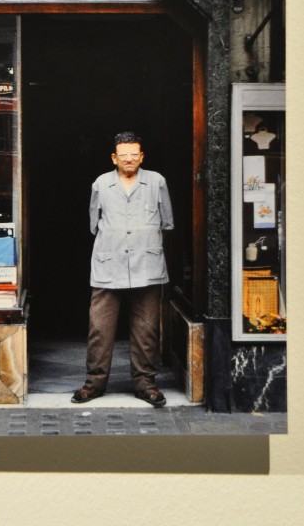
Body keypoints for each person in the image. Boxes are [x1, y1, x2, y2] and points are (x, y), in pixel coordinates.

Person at [72, 131, 174, 408]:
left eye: (134, 155)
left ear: (142, 156)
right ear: (114, 158)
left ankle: (145, 384)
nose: (129, 160)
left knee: (146, 329)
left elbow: (167, 222)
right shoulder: (101, 184)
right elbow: (94, 223)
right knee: (99, 328)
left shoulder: (156, 181)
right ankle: (94, 383)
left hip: (147, 264)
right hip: (109, 263)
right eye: (123, 155)